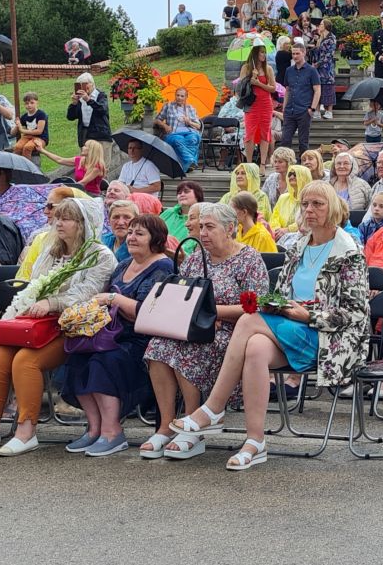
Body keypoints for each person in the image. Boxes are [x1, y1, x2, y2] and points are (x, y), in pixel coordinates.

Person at [169, 187, 368, 469]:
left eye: (317, 204)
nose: (309, 209)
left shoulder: (349, 253)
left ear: (333, 207)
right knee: (255, 348)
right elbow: (284, 292)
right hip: (290, 326)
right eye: (305, 203)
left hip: (326, 337)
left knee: (249, 319)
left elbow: (356, 313)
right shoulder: (298, 246)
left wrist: (308, 315)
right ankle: (255, 441)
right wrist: (278, 304)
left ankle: (213, 408)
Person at [0, 197, 117, 457]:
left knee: (25, 362)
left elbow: (87, 293)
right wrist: (35, 303)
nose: (59, 223)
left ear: (82, 224)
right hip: (37, 324)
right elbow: (33, 286)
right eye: (58, 217)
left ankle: (26, 431)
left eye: (66, 218)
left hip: (72, 328)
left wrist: (52, 302)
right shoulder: (51, 250)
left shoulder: (100, 256)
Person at [143, 203, 270, 460]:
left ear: (230, 228)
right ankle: (167, 425)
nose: (203, 233)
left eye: (210, 227)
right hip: (195, 327)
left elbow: (257, 306)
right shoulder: (196, 259)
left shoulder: (248, 259)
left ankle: (194, 426)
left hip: (234, 333)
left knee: (190, 348)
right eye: (201, 227)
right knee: (158, 346)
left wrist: (213, 314)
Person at [60, 212, 174, 458]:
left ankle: (113, 431)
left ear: (155, 239)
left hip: (140, 338)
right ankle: (95, 428)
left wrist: (115, 298)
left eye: (139, 234)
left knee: (104, 362)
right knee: (78, 359)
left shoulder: (163, 267)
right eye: (131, 232)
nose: (131, 237)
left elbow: (148, 313)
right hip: (110, 333)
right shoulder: (123, 265)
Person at [237, 44, 278, 167]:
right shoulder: (246, 67)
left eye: (265, 52)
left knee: (265, 133)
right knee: (250, 133)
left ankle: (262, 164)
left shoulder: (268, 69)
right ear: (255, 53)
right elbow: (240, 87)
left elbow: (273, 89)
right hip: (251, 104)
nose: (264, 55)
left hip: (265, 104)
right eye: (261, 52)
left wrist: (259, 83)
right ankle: (249, 163)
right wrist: (251, 78)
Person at [281, 42, 320, 155]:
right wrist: (284, 108)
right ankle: (285, 165)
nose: (295, 56)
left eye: (297, 53)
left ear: (304, 53)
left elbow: (317, 90)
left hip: (304, 109)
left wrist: (312, 108)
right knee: (285, 140)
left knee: (303, 142)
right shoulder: (289, 70)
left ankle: (304, 167)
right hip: (290, 110)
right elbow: (287, 90)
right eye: (293, 54)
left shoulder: (312, 70)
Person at [155, 88, 203, 173]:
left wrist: (189, 122)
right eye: (177, 95)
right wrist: (165, 125)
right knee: (178, 140)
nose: (179, 98)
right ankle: (190, 161)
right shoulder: (168, 106)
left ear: (186, 97)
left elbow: (198, 126)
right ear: (175, 95)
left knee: (193, 139)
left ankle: (186, 164)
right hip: (173, 133)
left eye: (182, 96)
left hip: (189, 132)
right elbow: (157, 119)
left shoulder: (191, 108)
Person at [40, 140, 107, 196]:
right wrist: (42, 151)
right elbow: (60, 160)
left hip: (91, 195)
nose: (82, 147)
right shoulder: (79, 160)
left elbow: (83, 183)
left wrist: (64, 188)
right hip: (79, 192)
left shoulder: (98, 167)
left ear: (91, 150)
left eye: (85, 146)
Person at [66, 73, 113, 150]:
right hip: (86, 135)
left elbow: (103, 110)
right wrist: (74, 104)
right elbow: (70, 117)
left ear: (92, 84)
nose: (83, 87)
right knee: (87, 161)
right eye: (79, 85)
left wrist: (88, 100)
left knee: (102, 161)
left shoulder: (100, 95)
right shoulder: (80, 99)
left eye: (85, 84)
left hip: (100, 136)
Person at [270, 165, 312, 239]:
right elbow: (274, 217)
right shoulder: (283, 198)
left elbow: (307, 220)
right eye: (289, 174)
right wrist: (277, 230)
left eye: (295, 174)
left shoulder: (311, 200)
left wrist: (288, 229)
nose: (291, 177)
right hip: (279, 236)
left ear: (304, 177)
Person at [311, 19, 338, 119]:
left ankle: (329, 111)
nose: (319, 26)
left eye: (321, 24)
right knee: (317, 87)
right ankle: (317, 111)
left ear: (326, 26)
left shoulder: (331, 38)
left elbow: (329, 54)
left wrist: (318, 63)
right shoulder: (320, 38)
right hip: (318, 68)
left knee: (328, 88)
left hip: (327, 68)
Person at [11, 92, 49, 160]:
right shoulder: (25, 116)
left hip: (40, 138)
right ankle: (17, 163)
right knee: (17, 147)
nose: (29, 105)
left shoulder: (41, 114)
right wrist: (17, 125)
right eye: (26, 103)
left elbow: (39, 131)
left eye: (32, 103)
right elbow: (13, 133)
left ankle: (28, 166)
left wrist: (22, 130)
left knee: (28, 147)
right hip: (28, 137)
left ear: (37, 102)